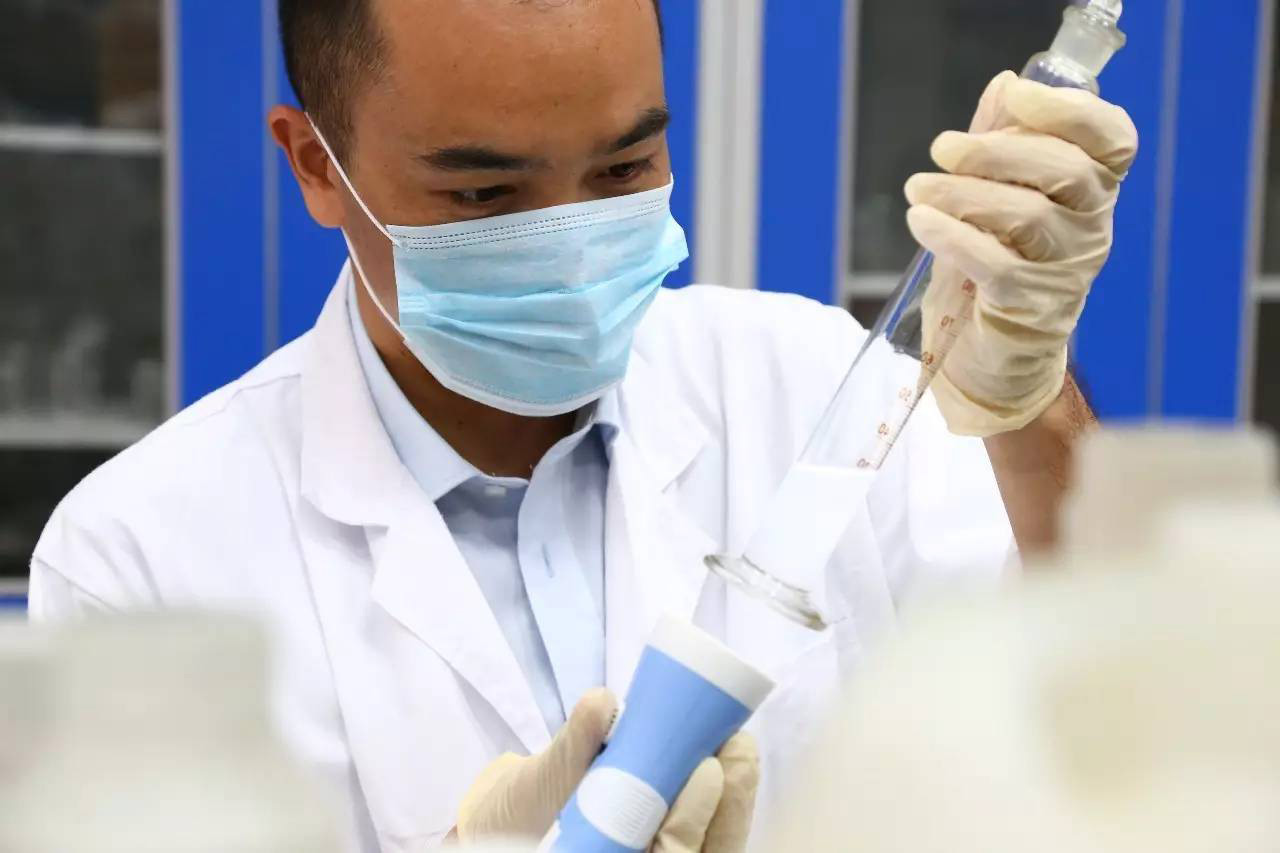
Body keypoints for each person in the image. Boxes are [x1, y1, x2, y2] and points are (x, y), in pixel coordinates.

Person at [27, 0, 1137, 850]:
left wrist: (1028, 405)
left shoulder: (808, 384)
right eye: (483, 195)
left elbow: (1113, 726)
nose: (568, 247)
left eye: (623, 167)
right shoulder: (140, 558)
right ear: (317, 164)